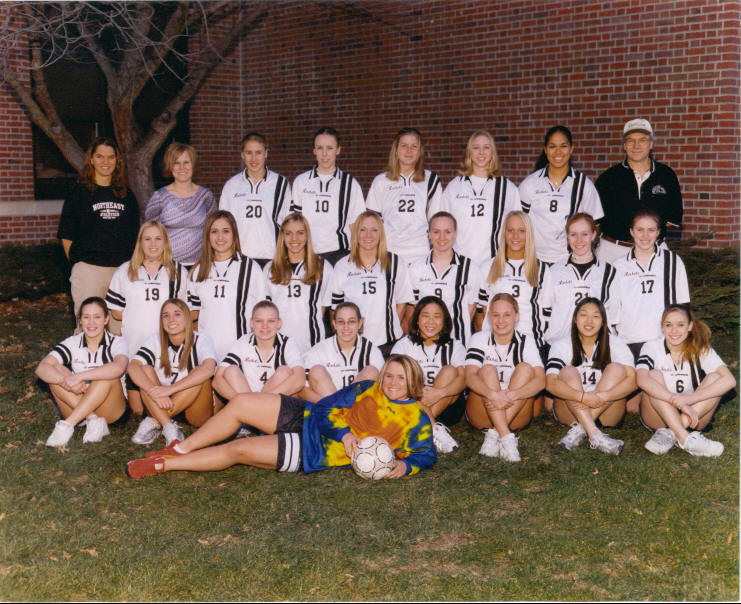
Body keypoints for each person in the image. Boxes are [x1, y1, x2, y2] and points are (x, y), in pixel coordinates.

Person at [126, 354, 436, 479]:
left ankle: (163, 464)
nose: (393, 382)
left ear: (413, 380)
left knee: (238, 449)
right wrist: (345, 433)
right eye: (389, 375)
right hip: (307, 415)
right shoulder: (367, 388)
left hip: (315, 450)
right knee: (241, 403)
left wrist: (406, 466)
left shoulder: (416, 420)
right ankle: (179, 448)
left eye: (401, 377)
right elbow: (324, 407)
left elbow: (426, 454)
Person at [106, 221, 189, 415]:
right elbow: (116, 311)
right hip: (135, 345)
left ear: (165, 242)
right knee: (138, 410)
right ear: (140, 242)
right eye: (147, 239)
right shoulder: (126, 270)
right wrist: (139, 314)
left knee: (162, 399)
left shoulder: (178, 271)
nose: (153, 244)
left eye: (158, 239)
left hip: (166, 348)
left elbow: (187, 311)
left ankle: (164, 410)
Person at [57, 136, 139, 331]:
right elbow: (66, 236)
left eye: (110, 157)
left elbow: (134, 236)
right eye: (100, 156)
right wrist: (79, 265)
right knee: (90, 330)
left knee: (120, 331)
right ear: (91, 160)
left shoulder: (126, 195)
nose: (105, 162)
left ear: (117, 161)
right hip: (89, 272)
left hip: (120, 272)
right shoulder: (78, 194)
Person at [636, 305, 735, 457]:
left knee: (716, 378)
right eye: (668, 325)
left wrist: (690, 399)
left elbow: (729, 381)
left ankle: (672, 433)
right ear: (662, 327)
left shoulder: (700, 347)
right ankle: (685, 438)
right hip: (658, 417)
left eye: (680, 325)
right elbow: (641, 379)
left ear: (689, 326)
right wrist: (677, 401)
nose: (674, 331)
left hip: (693, 416)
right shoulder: (652, 346)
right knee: (653, 375)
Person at [545, 298, 636, 455]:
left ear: (603, 321)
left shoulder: (616, 343)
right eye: (583, 315)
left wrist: (603, 396)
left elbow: (633, 381)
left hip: (606, 410)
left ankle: (580, 430)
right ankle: (595, 435)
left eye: (595, 316)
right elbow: (550, 383)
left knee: (616, 369)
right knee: (568, 371)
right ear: (575, 319)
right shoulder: (561, 345)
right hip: (570, 412)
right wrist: (582, 397)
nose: (589, 321)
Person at [35, 297, 128, 448]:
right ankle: (92, 419)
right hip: (78, 402)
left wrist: (78, 377)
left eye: (97, 317)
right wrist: (65, 381)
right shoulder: (72, 342)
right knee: (55, 370)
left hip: (110, 409)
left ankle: (66, 426)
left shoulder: (117, 342)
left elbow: (118, 367)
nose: (91, 323)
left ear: (106, 319)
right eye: (86, 317)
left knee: (105, 375)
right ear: (80, 320)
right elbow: (41, 368)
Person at [465, 294, 545, 462]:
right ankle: (507, 437)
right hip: (482, 412)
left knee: (525, 369)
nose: (501, 320)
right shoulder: (479, 338)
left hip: (515, 411)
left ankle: (495, 434)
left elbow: (540, 380)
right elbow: (469, 376)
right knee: (487, 370)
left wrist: (512, 395)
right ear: (489, 317)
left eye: (507, 315)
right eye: (496, 315)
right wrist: (493, 395)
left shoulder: (526, 341)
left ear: (517, 316)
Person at [128, 299, 217, 446]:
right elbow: (133, 366)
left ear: (187, 317)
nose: (171, 320)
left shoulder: (201, 339)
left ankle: (156, 421)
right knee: (145, 369)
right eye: (166, 315)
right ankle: (169, 426)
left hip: (192, 410)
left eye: (177, 314)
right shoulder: (155, 339)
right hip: (161, 403)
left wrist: (169, 390)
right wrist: (153, 391)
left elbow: (209, 368)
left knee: (199, 373)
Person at [596, 119, 683, 263]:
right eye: (631, 141)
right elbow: (597, 221)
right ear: (624, 145)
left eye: (642, 140)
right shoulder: (607, 178)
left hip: (655, 250)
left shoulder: (667, 175)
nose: (636, 146)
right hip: (613, 251)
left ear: (651, 144)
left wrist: (646, 236)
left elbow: (672, 218)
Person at [186, 210, 268, 360]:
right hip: (207, 354)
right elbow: (194, 315)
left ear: (234, 234)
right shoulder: (197, 271)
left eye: (226, 231)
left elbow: (263, 314)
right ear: (207, 235)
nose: (220, 237)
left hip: (241, 352)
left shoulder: (251, 268)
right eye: (214, 232)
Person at [330, 210, 415, 354]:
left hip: (388, 344)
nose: (368, 235)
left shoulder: (395, 263)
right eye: (363, 230)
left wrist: (388, 328)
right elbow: (335, 309)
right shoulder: (342, 266)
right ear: (355, 233)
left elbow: (402, 303)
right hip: (353, 343)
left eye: (374, 230)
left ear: (381, 233)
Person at [391, 296, 466, 454]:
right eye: (425, 316)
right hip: (413, 402)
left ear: (444, 320)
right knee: (405, 382)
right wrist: (419, 392)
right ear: (417, 319)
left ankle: (419, 426)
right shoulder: (404, 345)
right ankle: (433, 429)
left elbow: (464, 379)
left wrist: (439, 393)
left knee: (450, 371)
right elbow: (393, 380)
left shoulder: (455, 345)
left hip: (446, 406)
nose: (431, 322)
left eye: (437, 316)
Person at [612, 208, 690, 358]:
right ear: (631, 231)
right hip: (630, 341)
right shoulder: (618, 266)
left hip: (664, 340)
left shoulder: (673, 261)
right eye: (640, 230)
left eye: (651, 230)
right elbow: (613, 312)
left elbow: (683, 304)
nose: (645, 236)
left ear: (658, 232)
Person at [518, 126, 603, 264]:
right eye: (552, 146)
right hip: (535, 260)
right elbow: (518, 223)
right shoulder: (530, 183)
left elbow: (595, 226)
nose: (558, 151)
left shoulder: (584, 185)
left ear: (571, 148)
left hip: (570, 260)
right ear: (545, 149)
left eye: (563, 146)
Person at [440, 130, 522, 264]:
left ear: (492, 152)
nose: (481, 152)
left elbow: (518, 227)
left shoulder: (507, 187)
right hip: (460, 264)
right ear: (469, 152)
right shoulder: (454, 187)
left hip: (494, 264)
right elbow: (443, 226)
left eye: (486, 147)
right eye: (476, 148)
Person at [365, 127, 442, 264]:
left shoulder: (431, 180)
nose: (409, 151)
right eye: (404, 146)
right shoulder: (381, 181)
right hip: (389, 253)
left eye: (414, 146)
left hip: (421, 253)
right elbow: (373, 223)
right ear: (396, 150)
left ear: (420, 151)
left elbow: (436, 222)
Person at [477, 211, 552, 351]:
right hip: (495, 346)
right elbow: (481, 312)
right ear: (504, 233)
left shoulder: (541, 269)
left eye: (521, 231)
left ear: (529, 234)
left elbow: (547, 313)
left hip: (531, 344)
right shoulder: (488, 267)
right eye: (510, 230)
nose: (515, 236)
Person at [290, 127, 366, 265]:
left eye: (330, 148)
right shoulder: (301, 182)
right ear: (314, 150)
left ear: (338, 150)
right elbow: (294, 222)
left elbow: (355, 225)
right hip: (308, 253)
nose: (324, 154)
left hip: (339, 254)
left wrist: (360, 255)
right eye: (320, 148)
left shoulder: (350, 184)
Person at [407, 212, 481, 346]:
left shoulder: (470, 268)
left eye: (447, 232)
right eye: (436, 232)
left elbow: (471, 308)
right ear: (429, 234)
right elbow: (415, 308)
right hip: (426, 342)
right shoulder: (416, 268)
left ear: (455, 233)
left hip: (458, 341)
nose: (442, 237)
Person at [543, 213, 617, 345]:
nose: (579, 240)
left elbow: (613, 316)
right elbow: (545, 313)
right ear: (567, 237)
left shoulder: (609, 272)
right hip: (560, 345)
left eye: (584, 234)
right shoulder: (553, 271)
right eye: (573, 234)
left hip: (595, 346)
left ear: (593, 235)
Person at [219, 132, 292, 266]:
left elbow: (288, 223)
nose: (254, 158)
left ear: (266, 153)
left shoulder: (281, 184)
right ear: (242, 154)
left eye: (258, 152)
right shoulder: (231, 185)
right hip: (239, 258)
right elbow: (223, 225)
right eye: (249, 153)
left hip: (271, 258)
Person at [264, 213, 332, 353]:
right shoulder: (270, 268)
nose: (294, 238)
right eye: (288, 233)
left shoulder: (323, 267)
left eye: (300, 233)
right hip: (278, 345)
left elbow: (323, 308)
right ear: (282, 236)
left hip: (312, 344)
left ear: (307, 236)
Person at [212, 301, 305, 400]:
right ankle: (248, 408)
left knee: (284, 372)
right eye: (259, 321)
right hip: (246, 400)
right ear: (251, 323)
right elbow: (217, 380)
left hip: (272, 402)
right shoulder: (243, 342)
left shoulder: (288, 343)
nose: (265, 326)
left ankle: (253, 407)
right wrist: (239, 401)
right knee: (231, 370)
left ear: (279, 323)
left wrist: (260, 401)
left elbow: (300, 380)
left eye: (271, 321)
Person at [144, 142, 217, 265]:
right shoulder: (159, 197)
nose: (182, 167)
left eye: (186, 162)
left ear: (193, 164)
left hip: (199, 266)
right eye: (176, 163)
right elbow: (148, 234)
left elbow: (214, 230)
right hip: (167, 265)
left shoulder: (205, 196)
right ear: (170, 166)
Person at [302, 302, 385, 402]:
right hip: (327, 404)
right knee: (317, 371)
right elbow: (302, 390)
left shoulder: (372, 351)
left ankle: (341, 409)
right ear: (334, 324)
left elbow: (384, 390)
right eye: (341, 322)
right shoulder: (319, 350)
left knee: (371, 371)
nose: (346, 327)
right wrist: (326, 404)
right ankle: (338, 409)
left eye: (351, 321)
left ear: (360, 323)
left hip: (358, 407)